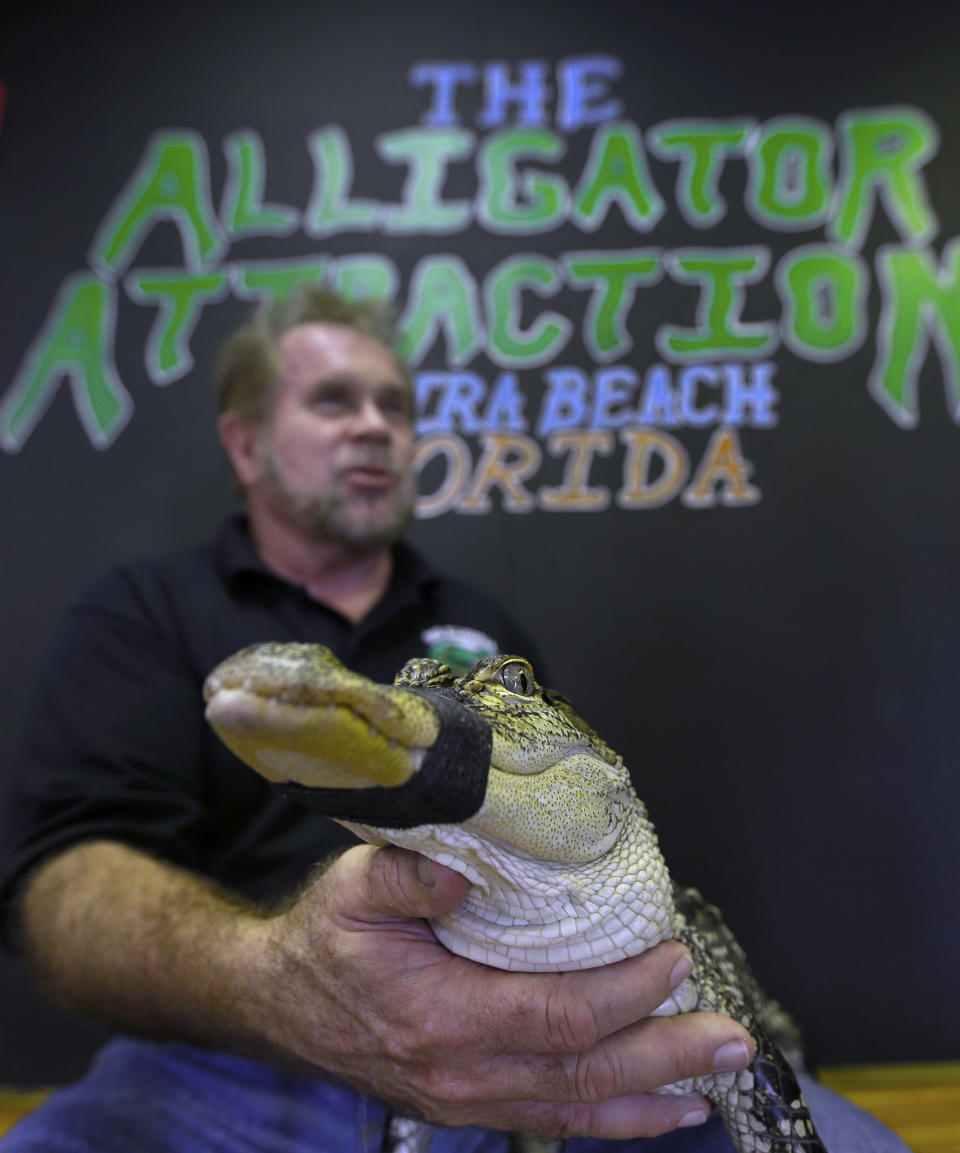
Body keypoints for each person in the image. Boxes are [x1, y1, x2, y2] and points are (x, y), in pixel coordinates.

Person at [0, 288, 904, 1153]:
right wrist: (279, 983)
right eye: (333, 400)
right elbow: (62, 886)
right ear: (245, 444)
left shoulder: (483, 630)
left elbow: (562, 817)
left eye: (394, 405)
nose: (373, 425)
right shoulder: (146, 613)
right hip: (227, 1054)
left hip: (527, 1039)